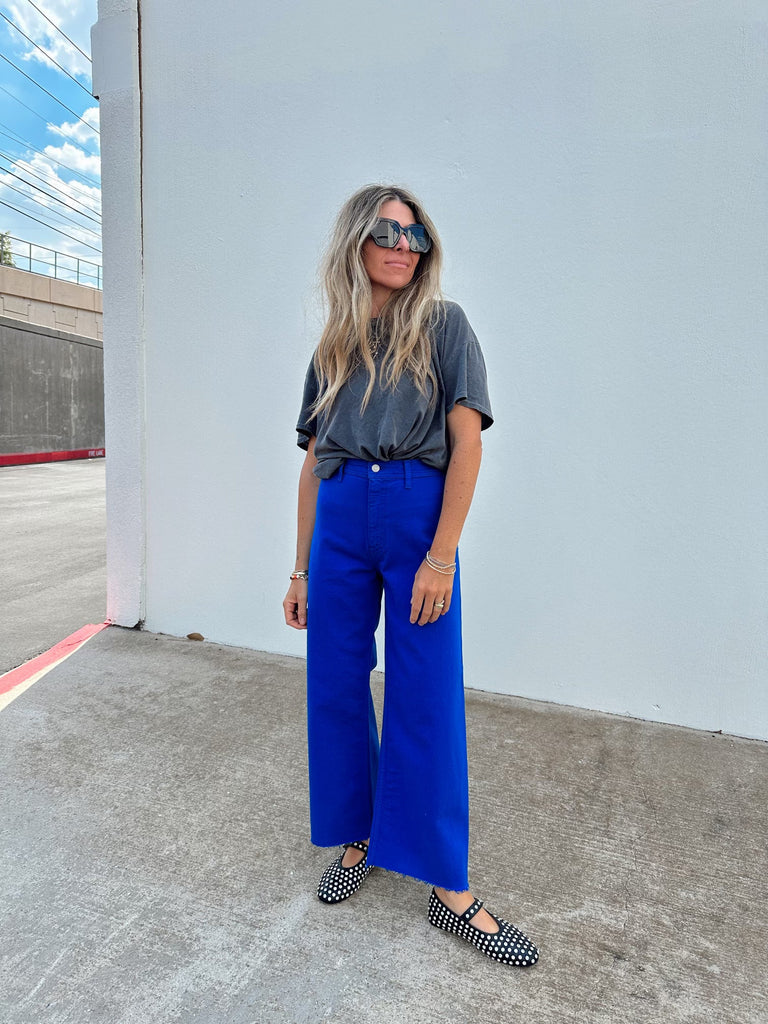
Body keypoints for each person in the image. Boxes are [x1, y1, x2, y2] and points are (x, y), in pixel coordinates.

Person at [282, 184, 538, 967]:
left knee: (425, 688)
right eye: (387, 231)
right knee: (334, 681)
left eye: (415, 234)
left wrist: (442, 554)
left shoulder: (444, 325)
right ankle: (357, 837)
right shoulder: (334, 343)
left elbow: (469, 445)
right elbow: (312, 464)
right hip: (340, 513)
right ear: (355, 240)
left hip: (415, 510)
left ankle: (448, 886)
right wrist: (299, 568)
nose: (403, 246)